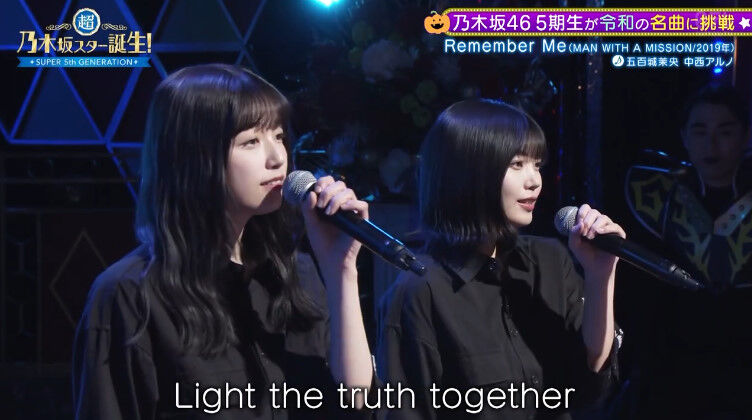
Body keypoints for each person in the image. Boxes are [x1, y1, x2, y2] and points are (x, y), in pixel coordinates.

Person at [72, 64, 378, 419]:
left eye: (279, 136)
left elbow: (355, 403)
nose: (278, 158)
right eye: (251, 141)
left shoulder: (297, 274)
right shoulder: (128, 294)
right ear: (193, 156)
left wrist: (341, 271)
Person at [377, 98, 622, 420]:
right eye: (517, 164)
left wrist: (601, 275)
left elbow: (590, 379)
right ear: (468, 172)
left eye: (537, 165)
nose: (534, 181)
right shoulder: (420, 290)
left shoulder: (549, 260)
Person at [622, 84, 752, 418]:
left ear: (746, 136)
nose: (712, 144)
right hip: (674, 374)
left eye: (725, 132)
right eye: (700, 131)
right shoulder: (657, 199)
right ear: (684, 136)